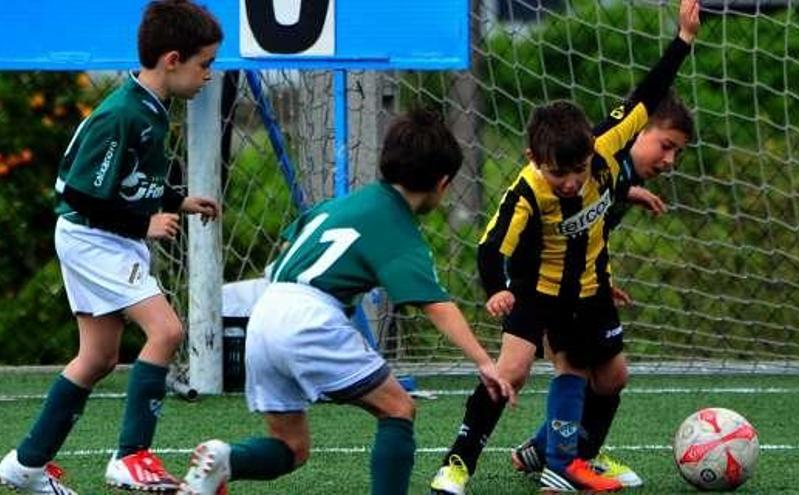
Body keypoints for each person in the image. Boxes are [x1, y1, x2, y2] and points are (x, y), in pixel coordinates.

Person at [429, 1, 699, 493]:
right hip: (538, 289)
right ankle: (458, 463)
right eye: (559, 174)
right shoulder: (527, 189)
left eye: (579, 172)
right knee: (512, 369)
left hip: (590, 287)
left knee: (613, 377)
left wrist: (682, 39)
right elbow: (491, 246)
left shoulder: (604, 146)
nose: (572, 183)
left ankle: (567, 456)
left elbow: (648, 93)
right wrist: (495, 290)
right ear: (536, 159)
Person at [174, 108, 516, 495]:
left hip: (265, 313)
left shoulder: (335, 207)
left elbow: (288, 246)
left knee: (292, 447)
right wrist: (485, 362)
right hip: (310, 318)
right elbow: (435, 304)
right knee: (398, 409)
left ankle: (225, 459)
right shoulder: (396, 224)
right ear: (443, 182)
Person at [0, 2, 223, 494]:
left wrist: (176, 200)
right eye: (203, 63)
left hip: (103, 237)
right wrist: (144, 223)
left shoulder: (150, 108)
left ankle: (26, 465)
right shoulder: (122, 112)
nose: (209, 75)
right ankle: (131, 456)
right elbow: (78, 194)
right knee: (166, 330)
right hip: (93, 239)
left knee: (98, 358)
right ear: (171, 59)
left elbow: (128, 181)